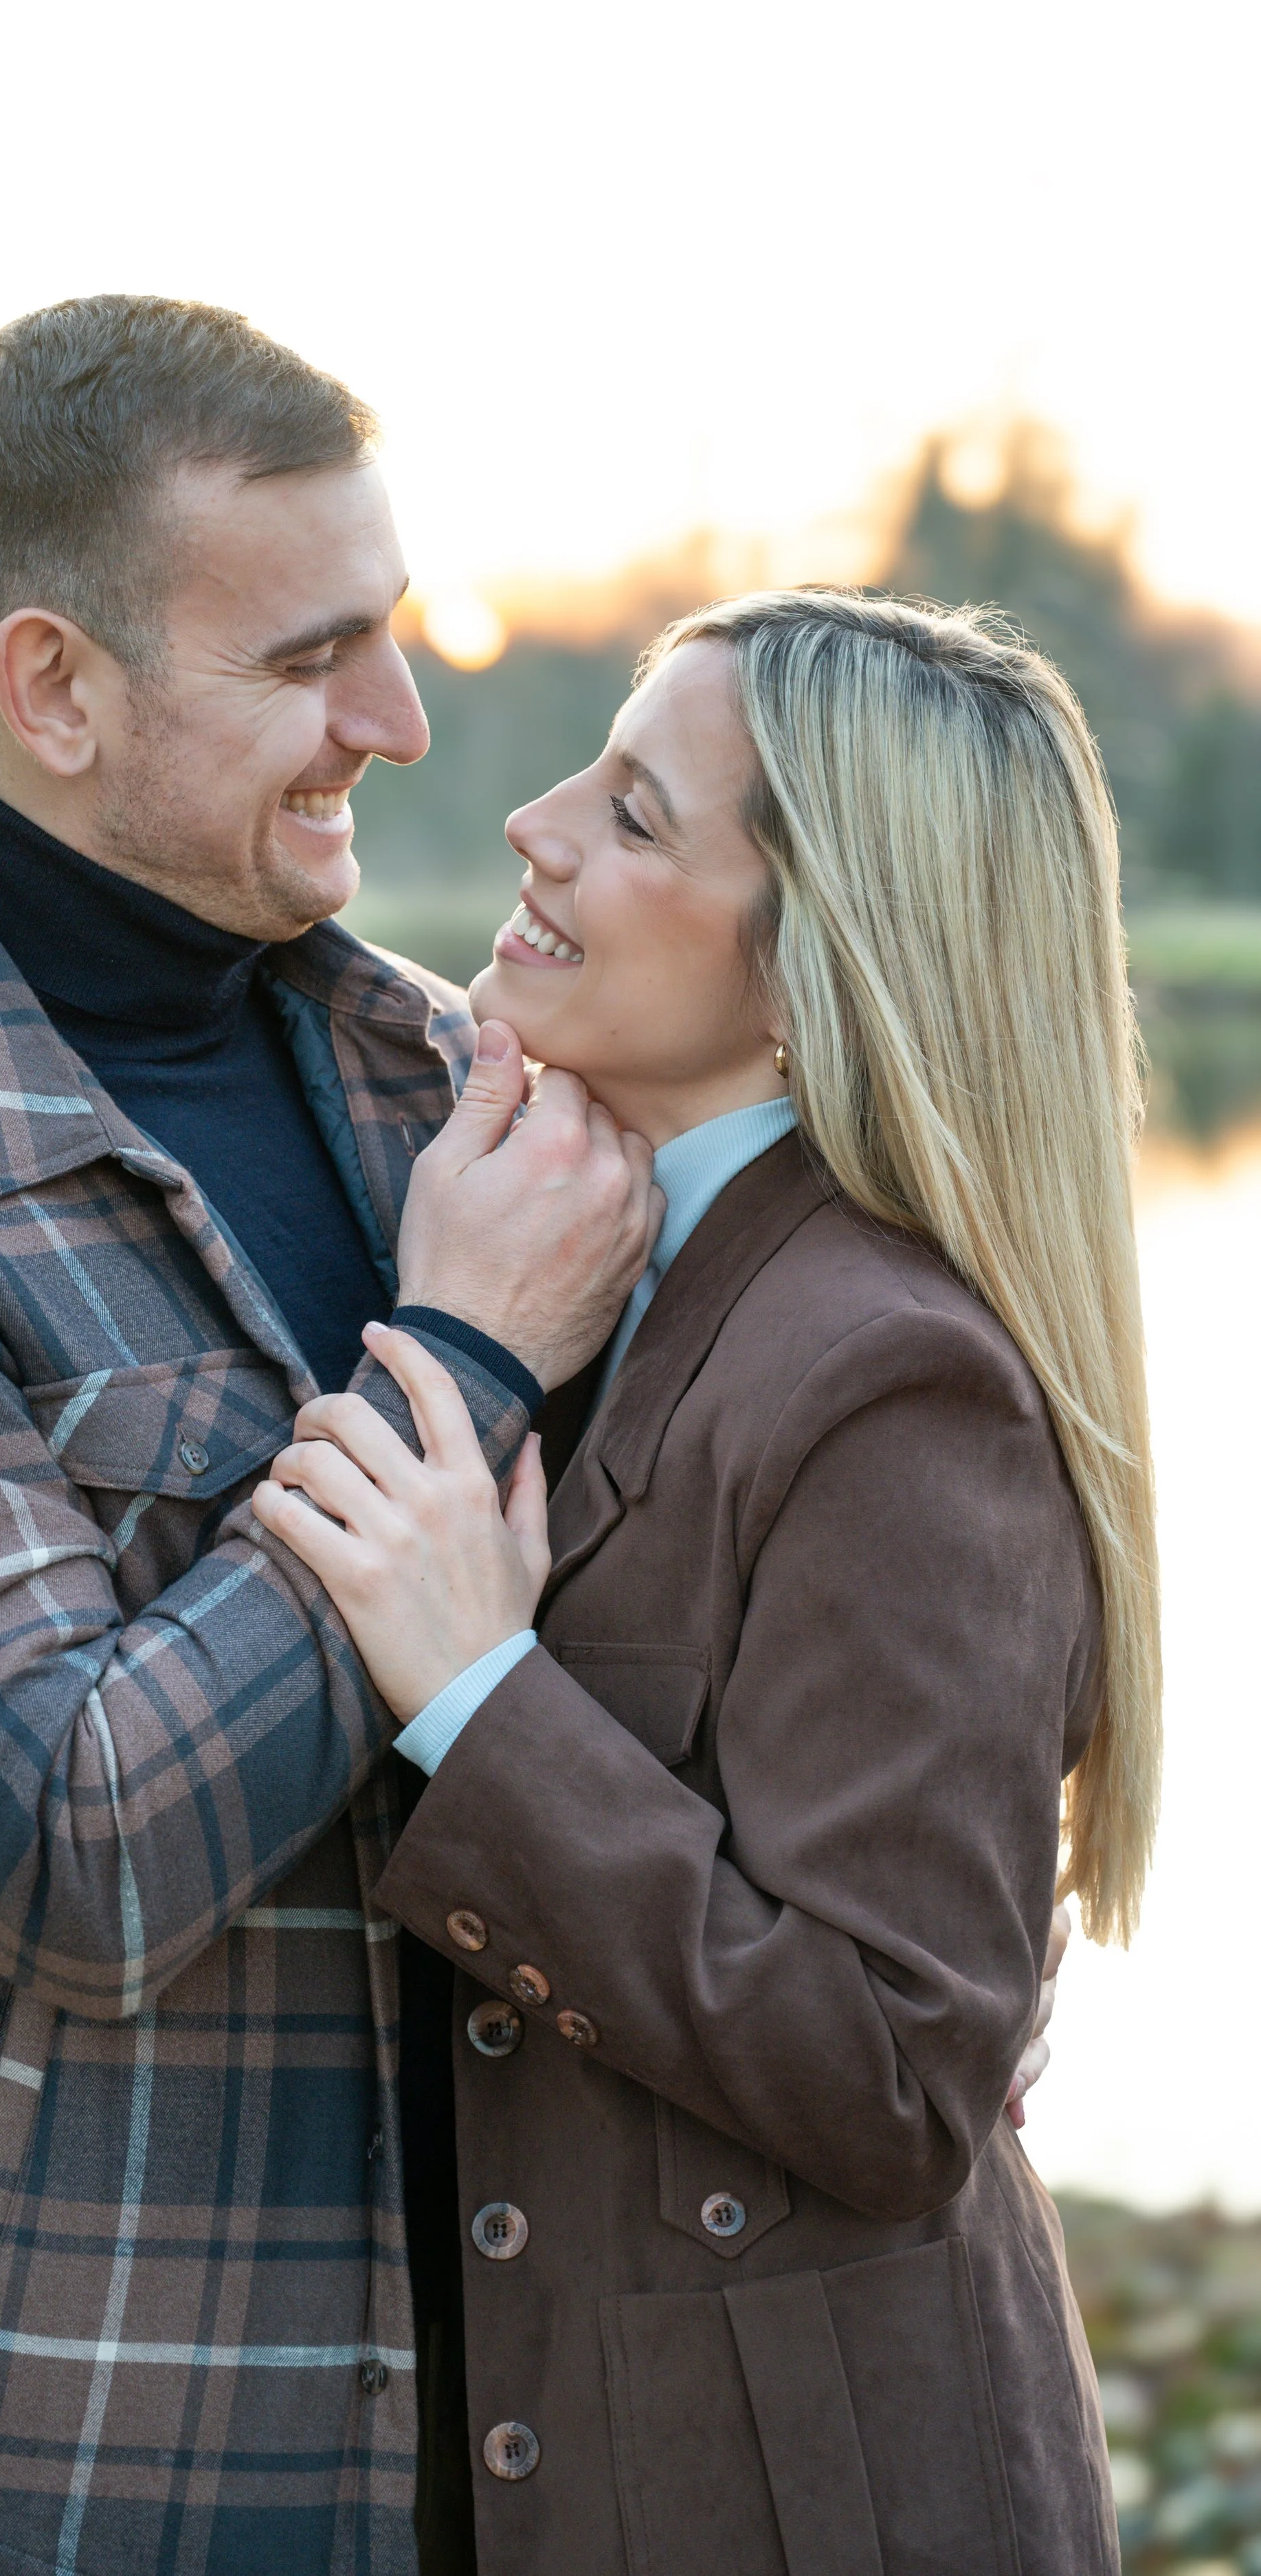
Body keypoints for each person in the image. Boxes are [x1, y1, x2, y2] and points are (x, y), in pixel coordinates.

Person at [0, 298, 1062, 2576]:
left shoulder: (447, 1075)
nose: (401, 724)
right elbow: (74, 1856)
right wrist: (456, 1362)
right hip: (50, 2482)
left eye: (391, 632)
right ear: (54, 687)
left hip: (517, 2460)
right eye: (306, 662)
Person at [255, 589, 1160, 2574]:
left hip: (805, 2499)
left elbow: (897, 2062)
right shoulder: (578, 1252)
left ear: (809, 958)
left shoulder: (887, 1369)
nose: (536, 826)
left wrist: (476, 1695)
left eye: (638, 815)